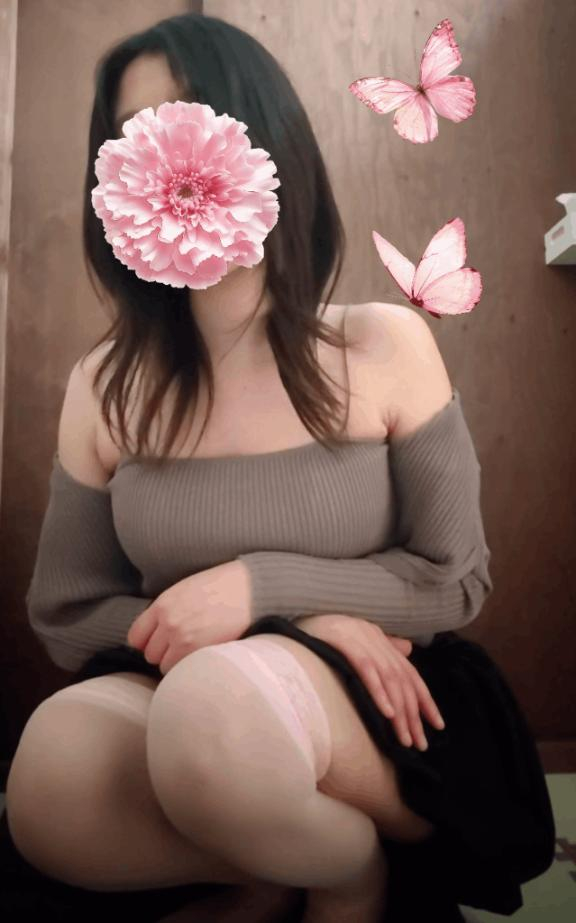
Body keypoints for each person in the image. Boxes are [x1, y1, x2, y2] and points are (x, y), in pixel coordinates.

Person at [4, 12, 555, 923]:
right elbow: (66, 614)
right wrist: (236, 622)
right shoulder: (103, 386)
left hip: (384, 701)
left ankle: (349, 875)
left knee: (213, 709)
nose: (166, 148)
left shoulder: (384, 345)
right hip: (179, 692)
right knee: (50, 773)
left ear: (266, 135)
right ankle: (281, 867)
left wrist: (269, 598)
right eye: (133, 129)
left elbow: (454, 578)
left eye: (192, 110)